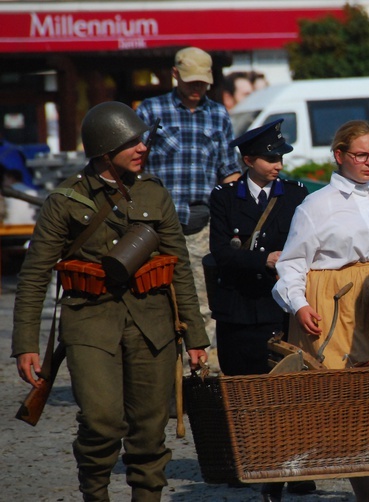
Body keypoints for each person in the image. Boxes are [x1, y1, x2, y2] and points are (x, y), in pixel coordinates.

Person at [12, 101, 209, 501]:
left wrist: (196, 338)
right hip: (90, 321)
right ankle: (95, 491)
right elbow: (34, 276)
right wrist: (26, 345)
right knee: (102, 421)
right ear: (105, 149)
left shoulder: (154, 193)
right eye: (132, 142)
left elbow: (179, 267)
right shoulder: (65, 201)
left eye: (141, 141)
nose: (143, 148)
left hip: (152, 322)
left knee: (151, 429)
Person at [272, 120, 369, 502]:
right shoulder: (316, 206)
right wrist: (299, 305)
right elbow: (293, 263)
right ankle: (352, 483)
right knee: (338, 397)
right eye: (360, 155)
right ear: (339, 156)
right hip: (333, 301)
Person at [209, 118, 313, 500]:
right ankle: (251, 461)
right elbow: (220, 253)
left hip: (279, 306)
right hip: (238, 308)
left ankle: (297, 467)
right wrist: (263, 260)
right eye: (270, 158)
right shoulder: (224, 196)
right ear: (248, 159)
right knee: (244, 389)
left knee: (289, 390)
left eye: (281, 157)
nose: (278, 165)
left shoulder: (296, 194)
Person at [136, 46, 242, 367]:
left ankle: (204, 376)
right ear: (175, 75)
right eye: (191, 81)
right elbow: (133, 165)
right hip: (154, 226)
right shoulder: (150, 111)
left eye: (203, 83)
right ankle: (164, 376)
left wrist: (233, 218)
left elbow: (230, 171)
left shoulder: (218, 114)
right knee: (156, 301)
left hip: (202, 224)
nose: (197, 89)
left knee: (203, 302)